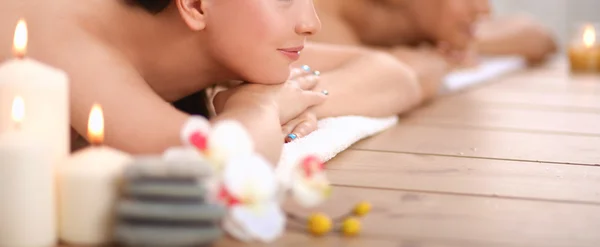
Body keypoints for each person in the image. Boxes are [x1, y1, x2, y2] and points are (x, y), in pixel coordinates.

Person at [0, 0, 422, 163]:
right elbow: (222, 161)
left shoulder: (232, 44)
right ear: (196, 5)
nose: (310, 23)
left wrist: (286, 99)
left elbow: (394, 76)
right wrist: (260, 108)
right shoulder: (67, 35)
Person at [311, 0, 557, 100]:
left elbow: (538, 36)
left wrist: (458, 43)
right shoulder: (317, 19)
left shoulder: (427, 23)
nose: (484, 9)